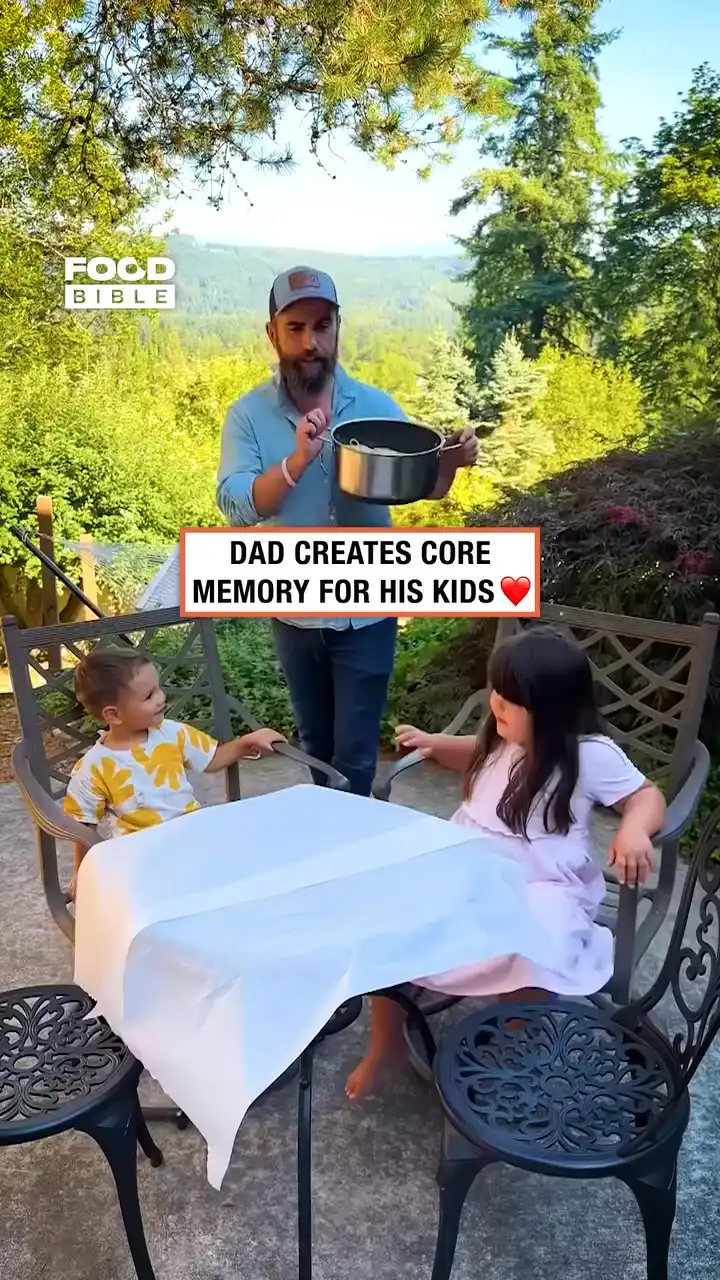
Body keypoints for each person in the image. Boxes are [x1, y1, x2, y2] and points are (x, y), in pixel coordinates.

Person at [345, 626, 666, 1100]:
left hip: (540, 878)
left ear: (553, 712)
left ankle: (510, 1047)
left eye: (510, 701)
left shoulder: (590, 754)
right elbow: (480, 758)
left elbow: (645, 795)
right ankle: (386, 1042)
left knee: (534, 946)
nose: (495, 704)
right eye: (496, 691)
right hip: (468, 859)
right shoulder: (501, 735)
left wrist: (635, 828)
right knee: (389, 909)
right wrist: (437, 743)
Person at [216, 266, 479, 797]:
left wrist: (451, 460)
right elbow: (237, 506)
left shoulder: (376, 407)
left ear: (338, 329)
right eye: (296, 328)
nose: (310, 342)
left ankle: (353, 856)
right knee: (316, 745)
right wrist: (295, 462)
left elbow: (424, 485)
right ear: (273, 333)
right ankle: (326, 838)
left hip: (370, 609)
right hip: (293, 605)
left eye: (322, 326)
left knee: (356, 753)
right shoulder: (247, 416)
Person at [63, 648, 285, 898]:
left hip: (191, 834)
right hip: (140, 854)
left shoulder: (171, 733)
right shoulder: (93, 767)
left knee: (248, 847)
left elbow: (212, 759)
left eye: (158, 688)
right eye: (148, 696)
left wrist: (247, 742)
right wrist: (81, 871)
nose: (161, 698)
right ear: (113, 714)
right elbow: (83, 827)